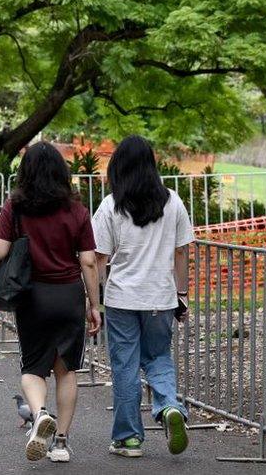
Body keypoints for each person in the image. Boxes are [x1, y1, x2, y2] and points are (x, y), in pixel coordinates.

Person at [0, 142, 101, 463]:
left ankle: (39, 415)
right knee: (66, 371)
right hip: (68, 296)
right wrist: (94, 305)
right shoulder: (77, 211)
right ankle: (61, 443)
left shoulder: (16, 207)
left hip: (32, 296)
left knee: (32, 368)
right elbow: (89, 261)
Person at [91, 135, 193, 459]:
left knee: (125, 366)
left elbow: (99, 258)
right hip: (161, 298)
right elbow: (181, 252)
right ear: (152, 165)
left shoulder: (111, 205)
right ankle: (168, 406)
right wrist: (182, 293)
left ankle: (128, 438)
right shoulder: (174, 201)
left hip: (122, 298)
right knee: (159, 356)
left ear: (118, 167)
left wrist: (94, 301)